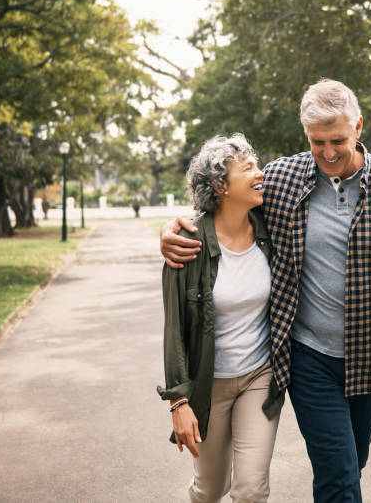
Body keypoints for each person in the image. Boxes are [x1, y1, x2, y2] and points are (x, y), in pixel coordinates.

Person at [161, 79, 371, 503]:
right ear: (305, 136)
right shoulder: (281, 178)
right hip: (306, 356)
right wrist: (172, 229)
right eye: (318, 142)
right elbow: (223, 203)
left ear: (359, 127)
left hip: (369, 357)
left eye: (338, 140)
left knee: (353, 463)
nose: (328, 152)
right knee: (337, 474)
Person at [157, 134, 284, 503]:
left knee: (250, 490)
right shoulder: (187, 243)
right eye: (248, 169)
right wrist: (178, 403)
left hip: (260, 377)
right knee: (210, 489)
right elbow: (174, 330)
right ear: (219, 185)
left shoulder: (270, 230)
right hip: (206, 385)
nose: (261, 174)